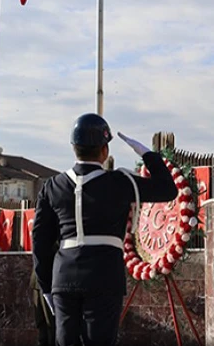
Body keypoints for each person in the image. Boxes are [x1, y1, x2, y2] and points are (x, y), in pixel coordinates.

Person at [32, 113, 179, 346]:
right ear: (104, 151)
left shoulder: (52, 186)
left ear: (73, 148)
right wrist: (147, 154)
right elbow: (167, 190)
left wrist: (46, 287)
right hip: (103, 276)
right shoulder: (120, 183)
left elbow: (39, 241)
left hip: (63, 278)